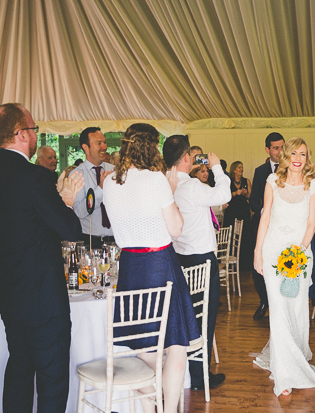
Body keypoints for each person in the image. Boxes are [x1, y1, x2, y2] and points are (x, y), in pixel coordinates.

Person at [0, 103, 84, 413]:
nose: (35, 135)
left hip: (7, 295)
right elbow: (70, 229)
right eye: (34, 130)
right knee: (52, 380)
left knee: (18, 369)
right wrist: (67, 202)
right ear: (20, 134)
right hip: (42, 299)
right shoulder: (35, 178)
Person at [103, 123, 198, 413]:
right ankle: (167, 410)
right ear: (153, 147)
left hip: (130, 266)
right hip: (160, 264)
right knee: (176, 345)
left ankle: (150, 405)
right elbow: (176, 228)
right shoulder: (157, 180)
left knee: (143, 347)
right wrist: (169, 193)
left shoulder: (108, 181)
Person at [252, 137, 315, 396]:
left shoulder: (313, 185)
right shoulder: (273, 181)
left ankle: (297, 355)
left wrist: (299, 253)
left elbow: (311, 224)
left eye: (303, 154)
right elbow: (266, 217)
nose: (298, 158)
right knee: (279, 309)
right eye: (294, 153)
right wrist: (258, 251)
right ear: (285, 156)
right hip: (273, 252)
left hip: (300, 254)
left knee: (296, 307)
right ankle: (284, 373)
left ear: (307, 158)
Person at [162, 135, 231, 392]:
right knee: (205, 317)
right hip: (201, 261)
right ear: (187, 158)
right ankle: (200, 376)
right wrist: (216, 167)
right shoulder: (190, 186)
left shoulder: (166, 185)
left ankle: (189, 371)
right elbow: (225, 195)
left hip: (178, 258)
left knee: (186, 315)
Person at [249, 132, 285, 320]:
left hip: (284, 227)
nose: (280, 151)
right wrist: (264, 212)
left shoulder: (291, 170)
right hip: (263, 225)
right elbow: (253, 200)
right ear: (267, 150)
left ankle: (280, 303)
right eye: (276, 148)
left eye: (282, 147)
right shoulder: (260, 171)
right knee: (259, 267)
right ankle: (264, 300)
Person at [71, 127, 115, 249]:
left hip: (116, 240)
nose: (104, 147)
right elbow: (79, 211)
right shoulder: (77, 175)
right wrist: (101, 189)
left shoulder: (114, 171)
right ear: (86, 147)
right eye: (99, 143)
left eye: (105, 142)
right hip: (90, 241)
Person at [223, 161, 252, 270]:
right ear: (234, 169)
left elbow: (250, 197)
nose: (241, 169)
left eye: (242, 167)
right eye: (239, 167)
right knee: (231, 236)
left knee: (245, 236)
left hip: (243, 211)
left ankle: (244, 263)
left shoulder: (246, 181)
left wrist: (245, 194)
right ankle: (231, 262)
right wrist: (235, 193)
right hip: (231, 211)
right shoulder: (228, 182)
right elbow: (224, 197)